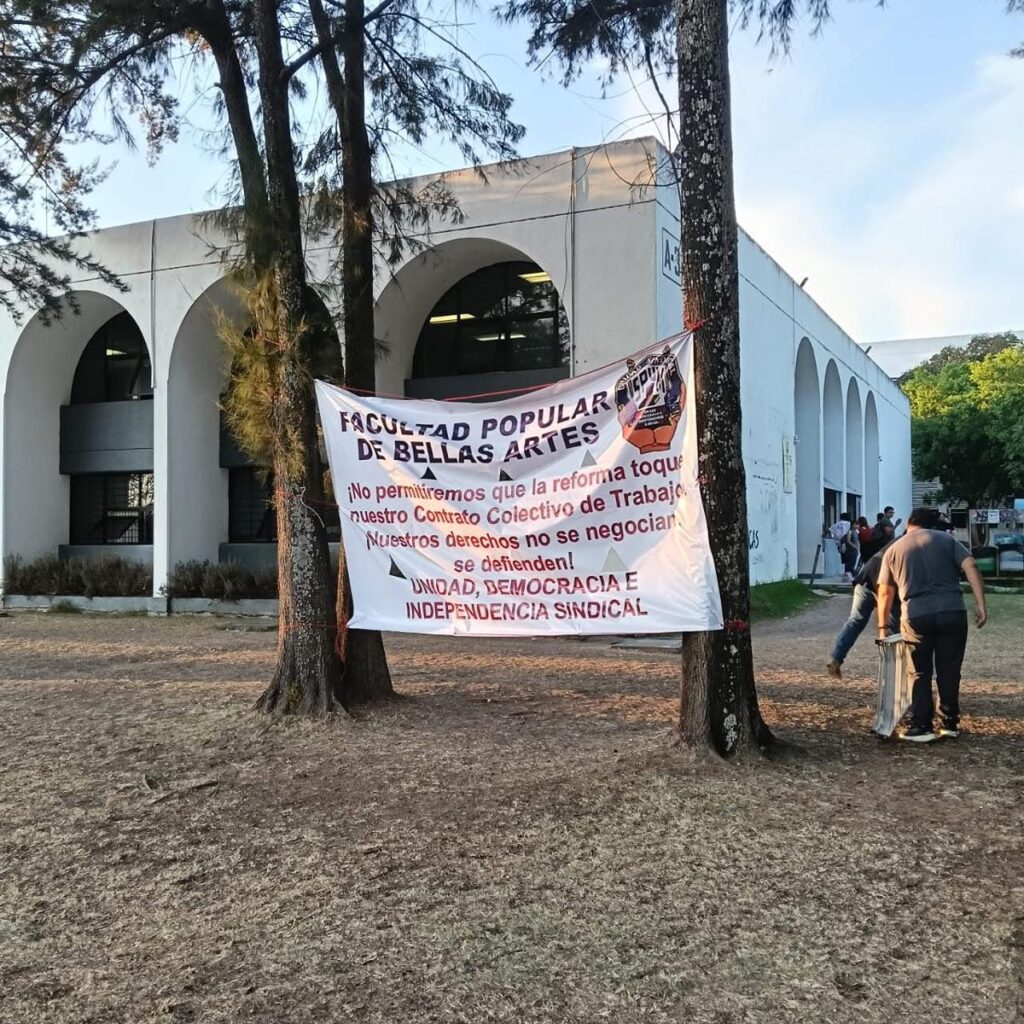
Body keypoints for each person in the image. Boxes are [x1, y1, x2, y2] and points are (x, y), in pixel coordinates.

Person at [876, 508, 988, 743]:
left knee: (918, 671)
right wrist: (980, 604)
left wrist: (883, 626)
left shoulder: (893, 549)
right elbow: (971, 565)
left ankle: (921, 726)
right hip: (952, 610)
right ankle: (949, 723)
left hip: (916, 615)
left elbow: (885, 591)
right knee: (949, 669)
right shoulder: (948, 540)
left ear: (909, 522)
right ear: (932, 525)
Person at [826, 543, 899, 679]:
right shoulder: (913, 547)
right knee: (894, 630)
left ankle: (836, 657)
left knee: (856, 620)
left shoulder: (897, 542)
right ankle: (893, 674)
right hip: (885, 584)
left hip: (865, 579)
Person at [828, 513, 854, 581]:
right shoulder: (850, 524)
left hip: (841, 543)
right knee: (850, 560)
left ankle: (845, 575)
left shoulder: (838, 524)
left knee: (845, 560)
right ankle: (849, 575)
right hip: (850, 543)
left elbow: (831, 530)